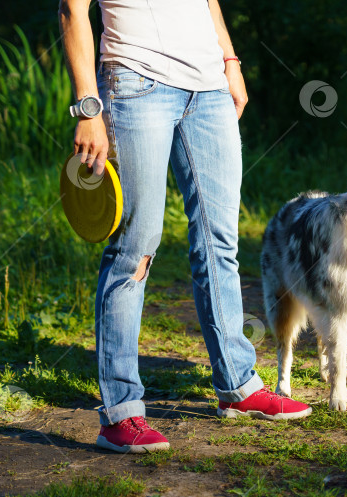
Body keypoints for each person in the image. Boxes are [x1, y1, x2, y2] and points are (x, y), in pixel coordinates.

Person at [59, 0, 312, 454]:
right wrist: (88, 108)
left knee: (220, 242)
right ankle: (121, 413)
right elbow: (72, 10)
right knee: (136, 248)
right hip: (135, 81)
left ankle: (238, 385)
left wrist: (230, 61)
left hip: (209, 87)